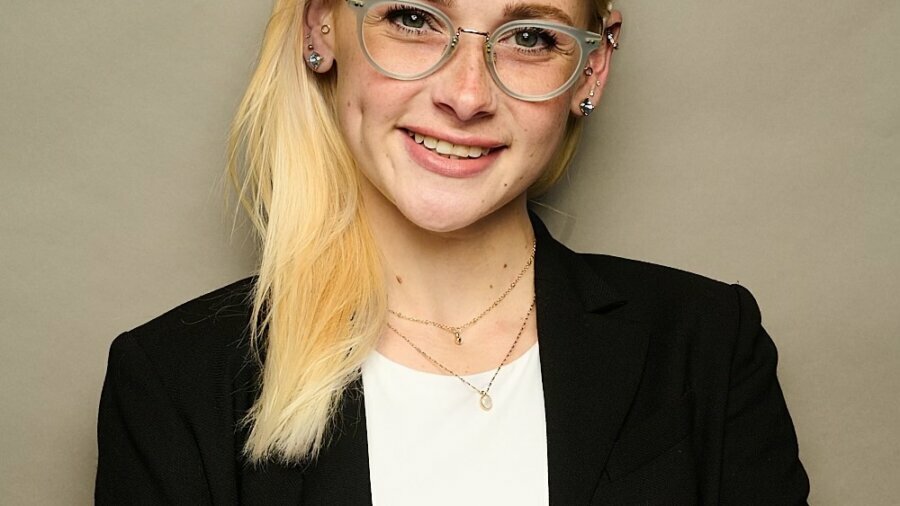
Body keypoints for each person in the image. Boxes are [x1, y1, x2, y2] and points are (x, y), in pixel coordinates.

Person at [95, 0, 810, 503]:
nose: (466, 96)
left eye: (531, 37)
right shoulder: (171, 383)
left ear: (592, 69)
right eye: (412, 18)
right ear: (321, 28)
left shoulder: (710, 346)